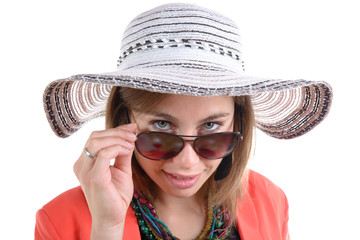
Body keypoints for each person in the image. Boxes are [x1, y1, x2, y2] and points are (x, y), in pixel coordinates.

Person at [35, 3, 332, 240]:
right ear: (126, 119)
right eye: (162, 127)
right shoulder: (59, 221)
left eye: (212, 128)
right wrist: (107, 228)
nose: (187, 163)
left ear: (237, 124)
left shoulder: (269, 199)